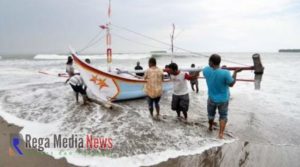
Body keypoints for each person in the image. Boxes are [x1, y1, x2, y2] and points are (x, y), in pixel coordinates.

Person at [203, 54, 242, 139]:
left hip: (211, 98)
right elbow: (231, 84)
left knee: (210, 115)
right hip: (223, 99)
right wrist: (235, 72)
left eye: (209, 61)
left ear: (211, 62)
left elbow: (209, 69)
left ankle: (210, 127)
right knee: (223, 116)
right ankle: (220, 134)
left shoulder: (206, 70)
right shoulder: (226, 73)